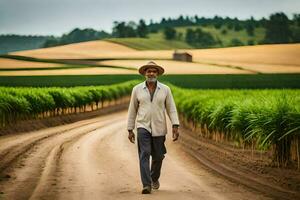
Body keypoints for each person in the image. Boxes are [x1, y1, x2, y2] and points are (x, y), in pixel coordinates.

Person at [127, 61, 180, 194]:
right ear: (144, 74)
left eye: (154, 71)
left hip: (159, 127)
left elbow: (171, 108)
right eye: (148, 71)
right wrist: (130, 128)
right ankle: (146, 184)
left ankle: (154, 177)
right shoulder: (137, 89)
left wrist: (175, 125)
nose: (151, 73)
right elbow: (132, 109)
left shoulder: (165, 89)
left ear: (157, 74)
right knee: (144, 154)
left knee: (158, 156)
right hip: (142, 126)